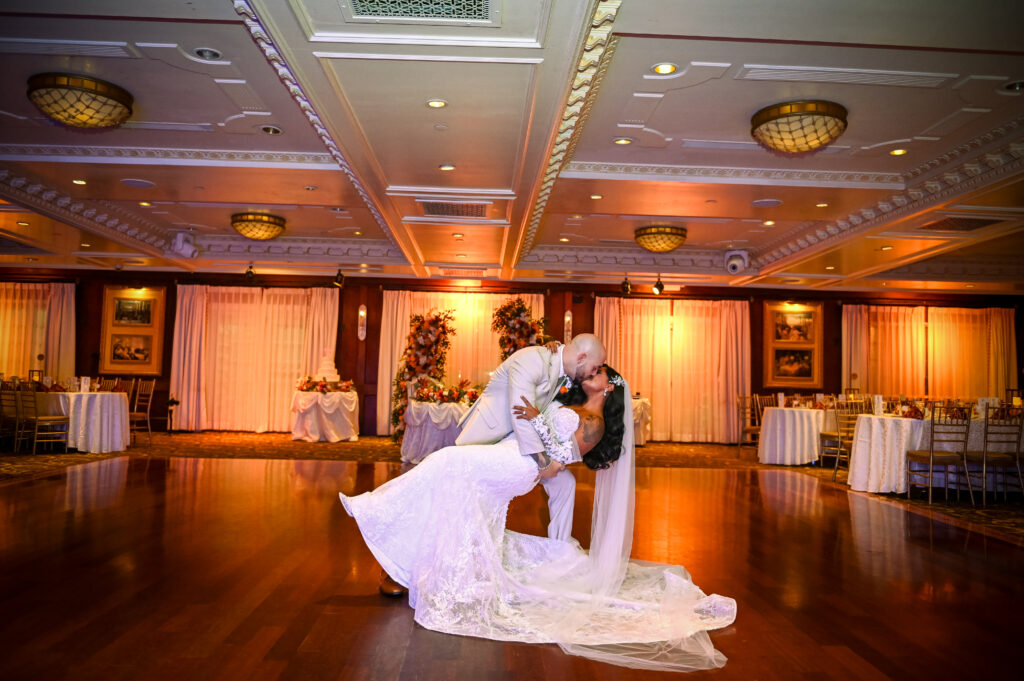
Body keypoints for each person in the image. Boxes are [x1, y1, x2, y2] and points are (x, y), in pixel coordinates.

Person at [340, 365, 736, 672]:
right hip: (513, 457)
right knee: (450, 484)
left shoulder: (593, 423)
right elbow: (550, 437)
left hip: (518, 464)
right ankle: (408, 558)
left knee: (445, 463)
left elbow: (558, 462)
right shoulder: (575, 407)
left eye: (598, 373)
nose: (591, 373)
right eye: (592, 369)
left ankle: (377, 512)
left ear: (608, 388)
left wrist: (535, 422)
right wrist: (537, 416)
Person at [455, 333, 606, 542]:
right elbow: (521, 416)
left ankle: (559, 549)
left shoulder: (560, 365)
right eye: (595, 367)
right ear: (581, 358)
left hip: (515, 440)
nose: (593, 373)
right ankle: (470, 541)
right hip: (491, 436)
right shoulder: (531, 360)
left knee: (565, 483)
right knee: (475, 503)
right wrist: (545, 463)